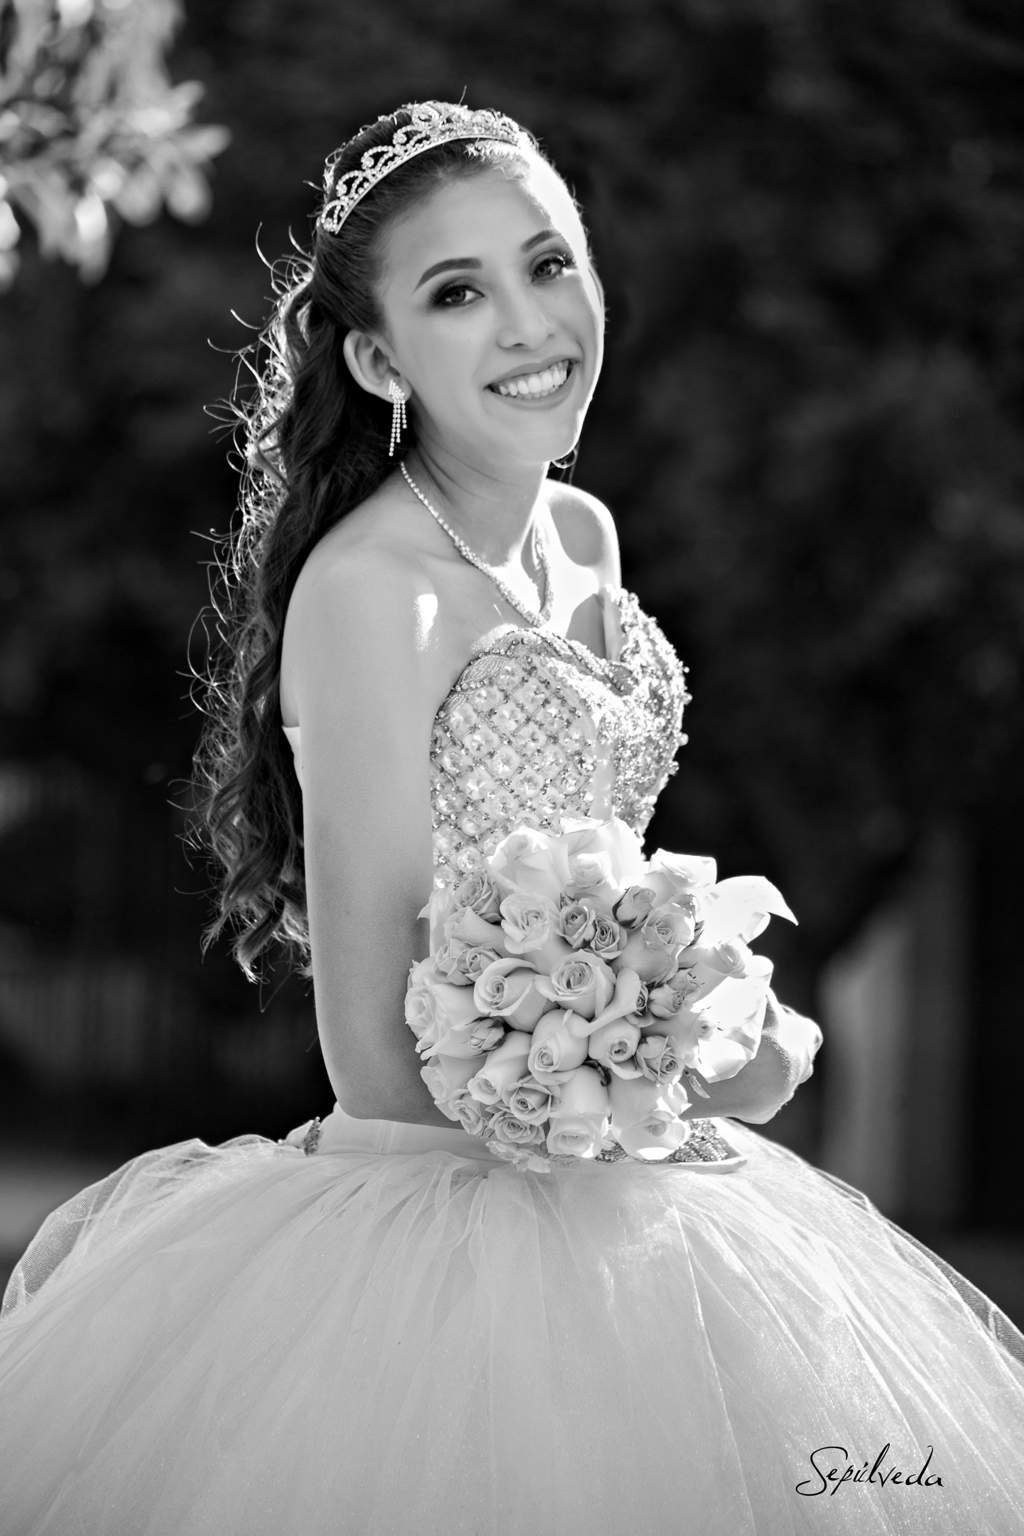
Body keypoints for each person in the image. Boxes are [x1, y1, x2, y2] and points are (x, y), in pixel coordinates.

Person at [0, 100, 1022, 1535]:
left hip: (641, 1185)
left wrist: (701, 1005)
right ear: (377, 360)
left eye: (549, 265)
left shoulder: (584, 536)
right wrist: (668, 1066)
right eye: (457, 292)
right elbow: (373, 1053)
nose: (531, 323)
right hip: (446, 1236)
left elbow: (605, 869)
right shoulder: (372, 592)